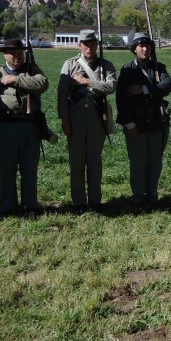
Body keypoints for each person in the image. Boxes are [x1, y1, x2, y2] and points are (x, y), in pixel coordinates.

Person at [0, 38, 49, 216]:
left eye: (19, 53)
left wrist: (17, 80)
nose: (17, 56)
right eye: (12, 53)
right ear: (5, 54)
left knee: (29, 169)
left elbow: (43, 84)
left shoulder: (32, 70)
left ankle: (30, 206)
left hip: (29, 126)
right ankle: (8, 207)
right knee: (7, 169)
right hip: (6, 127)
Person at [57, 29, 117, 213]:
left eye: (92, 44)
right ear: (80, 45)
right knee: (76, 161)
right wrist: (65, 119)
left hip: (96, 116)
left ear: (96, 45)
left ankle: (95, 200)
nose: (89, 47)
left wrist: (87, 82)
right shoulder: (70, 65)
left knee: (94, 160)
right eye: (85, 44)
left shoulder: (106, 65)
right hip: (75, 116)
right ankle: (78, 202)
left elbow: (111, 86)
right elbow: (62, 95)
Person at [116, 32, 171, 210]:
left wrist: (144, 89)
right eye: (140, 46)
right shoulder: (127, 70)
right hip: (136, 125)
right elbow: (121, 100)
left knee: (154, 162)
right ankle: (138, 198)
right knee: (138, 163)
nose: (144, 49)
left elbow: (167, 86)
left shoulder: (159, 68)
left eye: (147, 46)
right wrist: (130, 124)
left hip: (156, 123)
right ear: (134, 49)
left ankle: (152, 196)